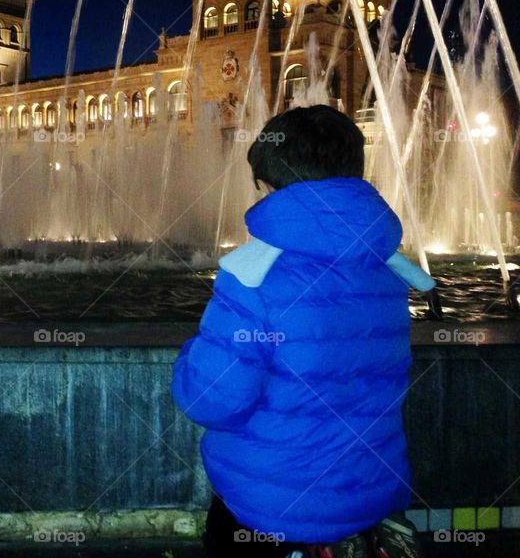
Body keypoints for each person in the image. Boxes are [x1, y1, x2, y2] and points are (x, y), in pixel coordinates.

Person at [171, 105, 430, 558]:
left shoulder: (253, 275)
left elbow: (211, 399)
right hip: (368, 489)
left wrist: (190, 356)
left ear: (269, 184)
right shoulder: (387, 268)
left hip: (271, 507)